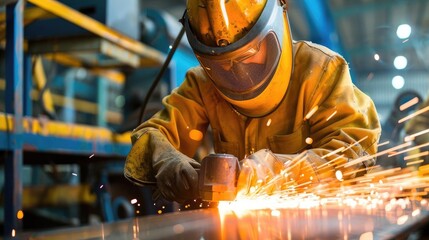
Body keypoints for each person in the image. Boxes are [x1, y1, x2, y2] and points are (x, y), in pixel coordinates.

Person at [124, 0, 381, 203]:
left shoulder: (321, 71)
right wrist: (166, 161)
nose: (237, 71)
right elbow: (151, 135)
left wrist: (270, 174)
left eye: (249, 53)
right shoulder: (203, 84)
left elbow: (353, 153)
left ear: (275, 25)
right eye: (221, 64)